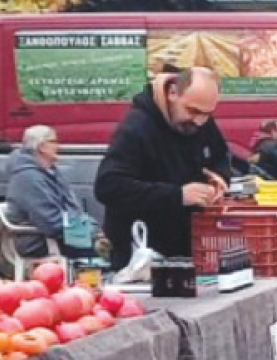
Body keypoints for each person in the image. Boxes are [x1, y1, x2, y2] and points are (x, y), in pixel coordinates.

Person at [94, 67, 232, 269]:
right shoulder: (136, 127)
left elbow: (221, 156)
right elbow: (109, 186)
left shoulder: (202, 121)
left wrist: (219, 179)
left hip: (187, 249)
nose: (199, 121)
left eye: (207, 114)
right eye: (192, 111)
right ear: (172, 93)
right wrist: (177, 195)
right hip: (141, 255)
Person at [5, 125, 95, 258]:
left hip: (64, 233)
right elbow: (50, 222)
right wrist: (86, 230)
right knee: (106, 251)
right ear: (41, 147)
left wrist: (89, 226)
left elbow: (72, 208)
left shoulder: (50, 171)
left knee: (110, 241)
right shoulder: (29, 178)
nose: (59, 146)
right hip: (40, 241)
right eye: (53, 142)